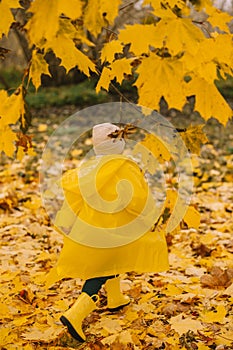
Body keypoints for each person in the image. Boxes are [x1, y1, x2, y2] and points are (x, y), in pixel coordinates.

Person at [52, 122, 169, 342]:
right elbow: (137, 200)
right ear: (120, 144)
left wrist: (66, 222)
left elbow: (74, 198)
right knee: (104, 268)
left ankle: (115, 298)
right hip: (114, 230)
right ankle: (75, 314)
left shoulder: (88, 169)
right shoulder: (124, 168)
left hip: (90, 229)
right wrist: (151, 216)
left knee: (111, 260)